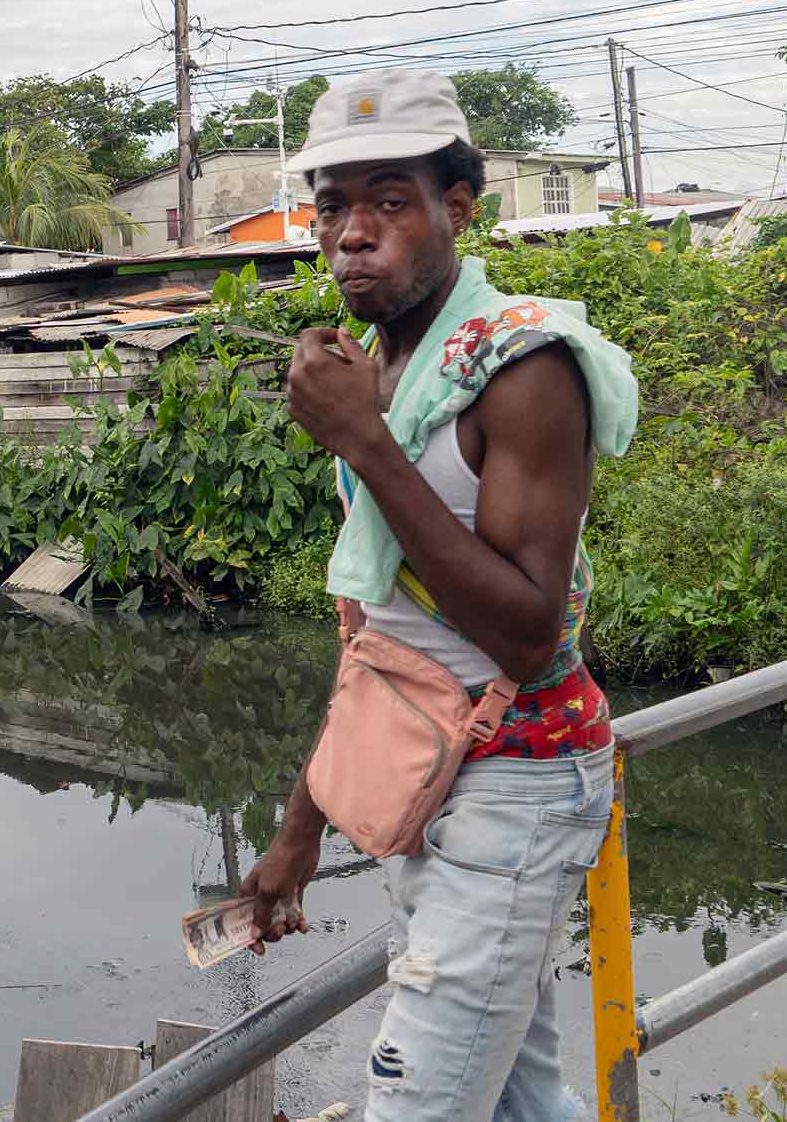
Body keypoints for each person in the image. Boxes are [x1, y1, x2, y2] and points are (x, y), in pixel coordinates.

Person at [239, 69, 638, 1121]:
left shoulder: (519, 368)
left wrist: (362, 443)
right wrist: (299, 825)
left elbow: (524, 629)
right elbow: (378, 626)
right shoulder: (385, 366)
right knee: (512, 1096)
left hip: (513, 783)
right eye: (332, 205)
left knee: (417, 1099)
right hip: (428, 770)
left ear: (456, 209)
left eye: (388, 200)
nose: (351, 233)